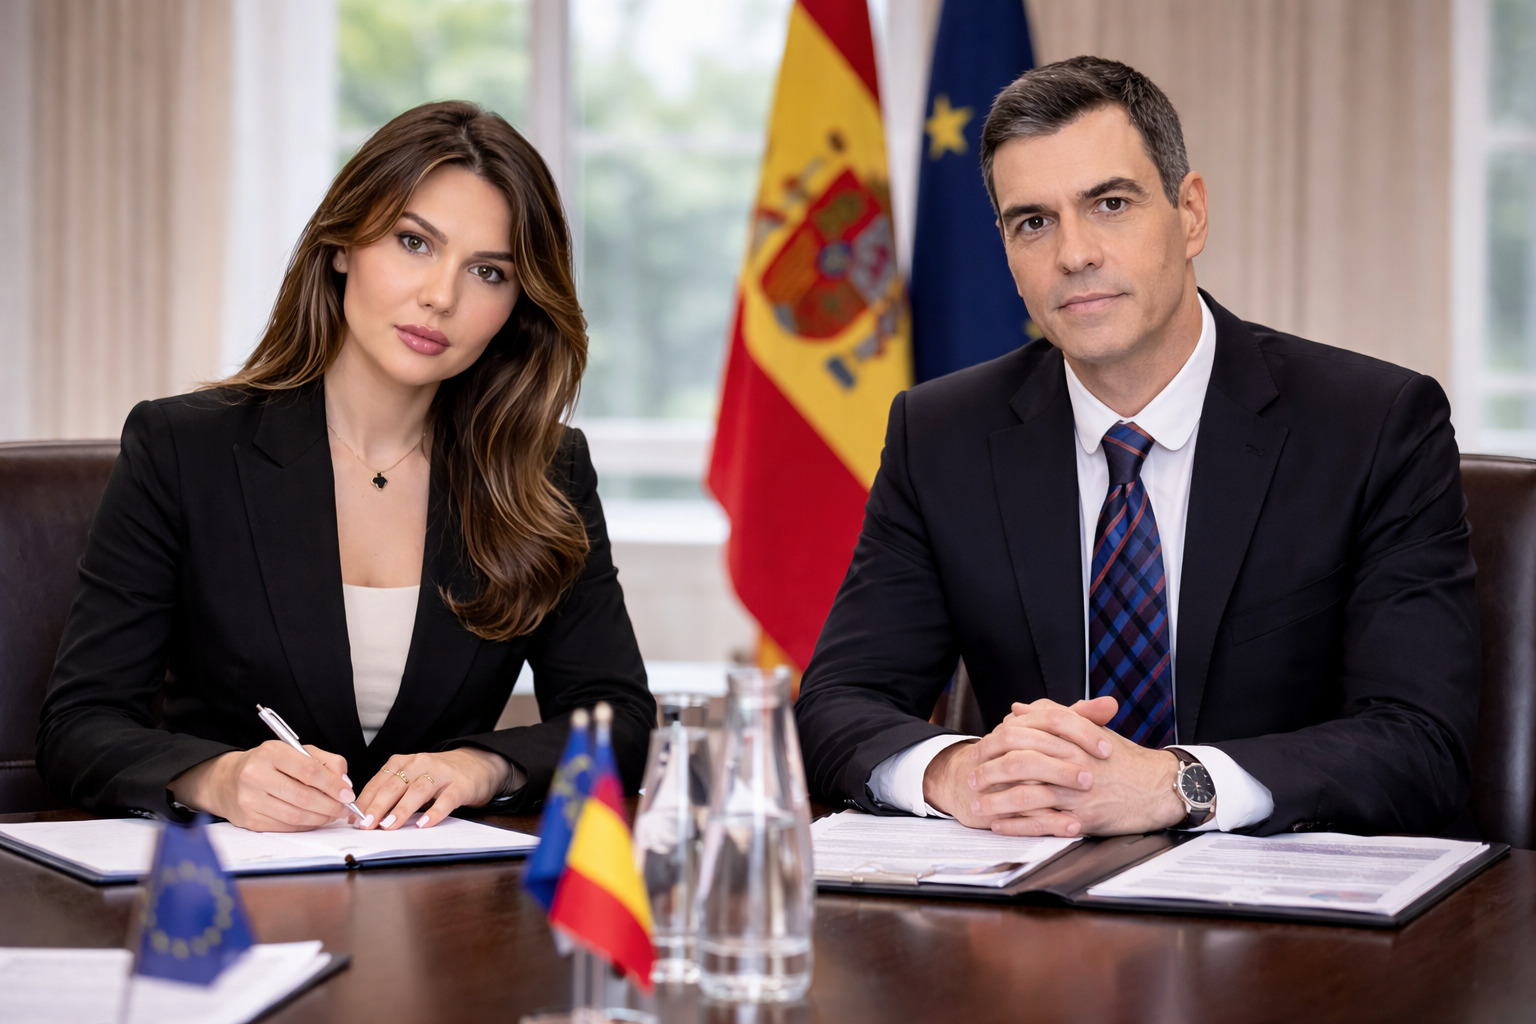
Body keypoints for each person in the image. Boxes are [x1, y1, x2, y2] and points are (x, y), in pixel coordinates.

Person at [794, 57, 1479, 839]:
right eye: (1034, 222)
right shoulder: (942, 435)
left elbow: (1423, 743)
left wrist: (1177, 783)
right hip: (1031, 909)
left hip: (1287, 928)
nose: (1074, 253)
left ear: (1190, 214)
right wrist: (958, 772)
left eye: (1109, 204)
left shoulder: (1373, 424)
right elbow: (835, 702)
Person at [37, 101, 655, 833]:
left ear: (517, 305)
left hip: (444, 907)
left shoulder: (545, 470)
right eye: (414, 243)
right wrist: (217, 777)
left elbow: (619, 721)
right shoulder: (183, 447)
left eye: (487, 271)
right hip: (233, 906)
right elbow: (78, 723)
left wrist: (482, 765)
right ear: (341, 244)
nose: (441, 296)